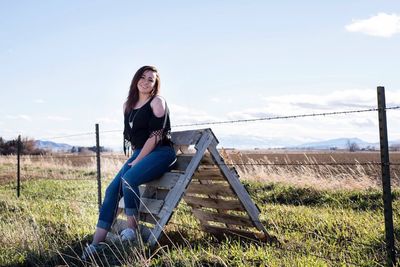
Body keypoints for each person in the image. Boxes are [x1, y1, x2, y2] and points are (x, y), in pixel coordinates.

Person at [82, 66, 176, 259]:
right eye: (142, 77)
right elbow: (134, 139)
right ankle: (95, 244)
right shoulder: (128, 106)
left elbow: (156, 136)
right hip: (141, 152)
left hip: (161, 152)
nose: (145, 81)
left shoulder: (157, 102)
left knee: (129, 179)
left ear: (155, 84)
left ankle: (132, 230)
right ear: (135, 80)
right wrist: (136, 157)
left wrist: (138, 161)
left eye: (150, 79)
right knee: (111, 190)